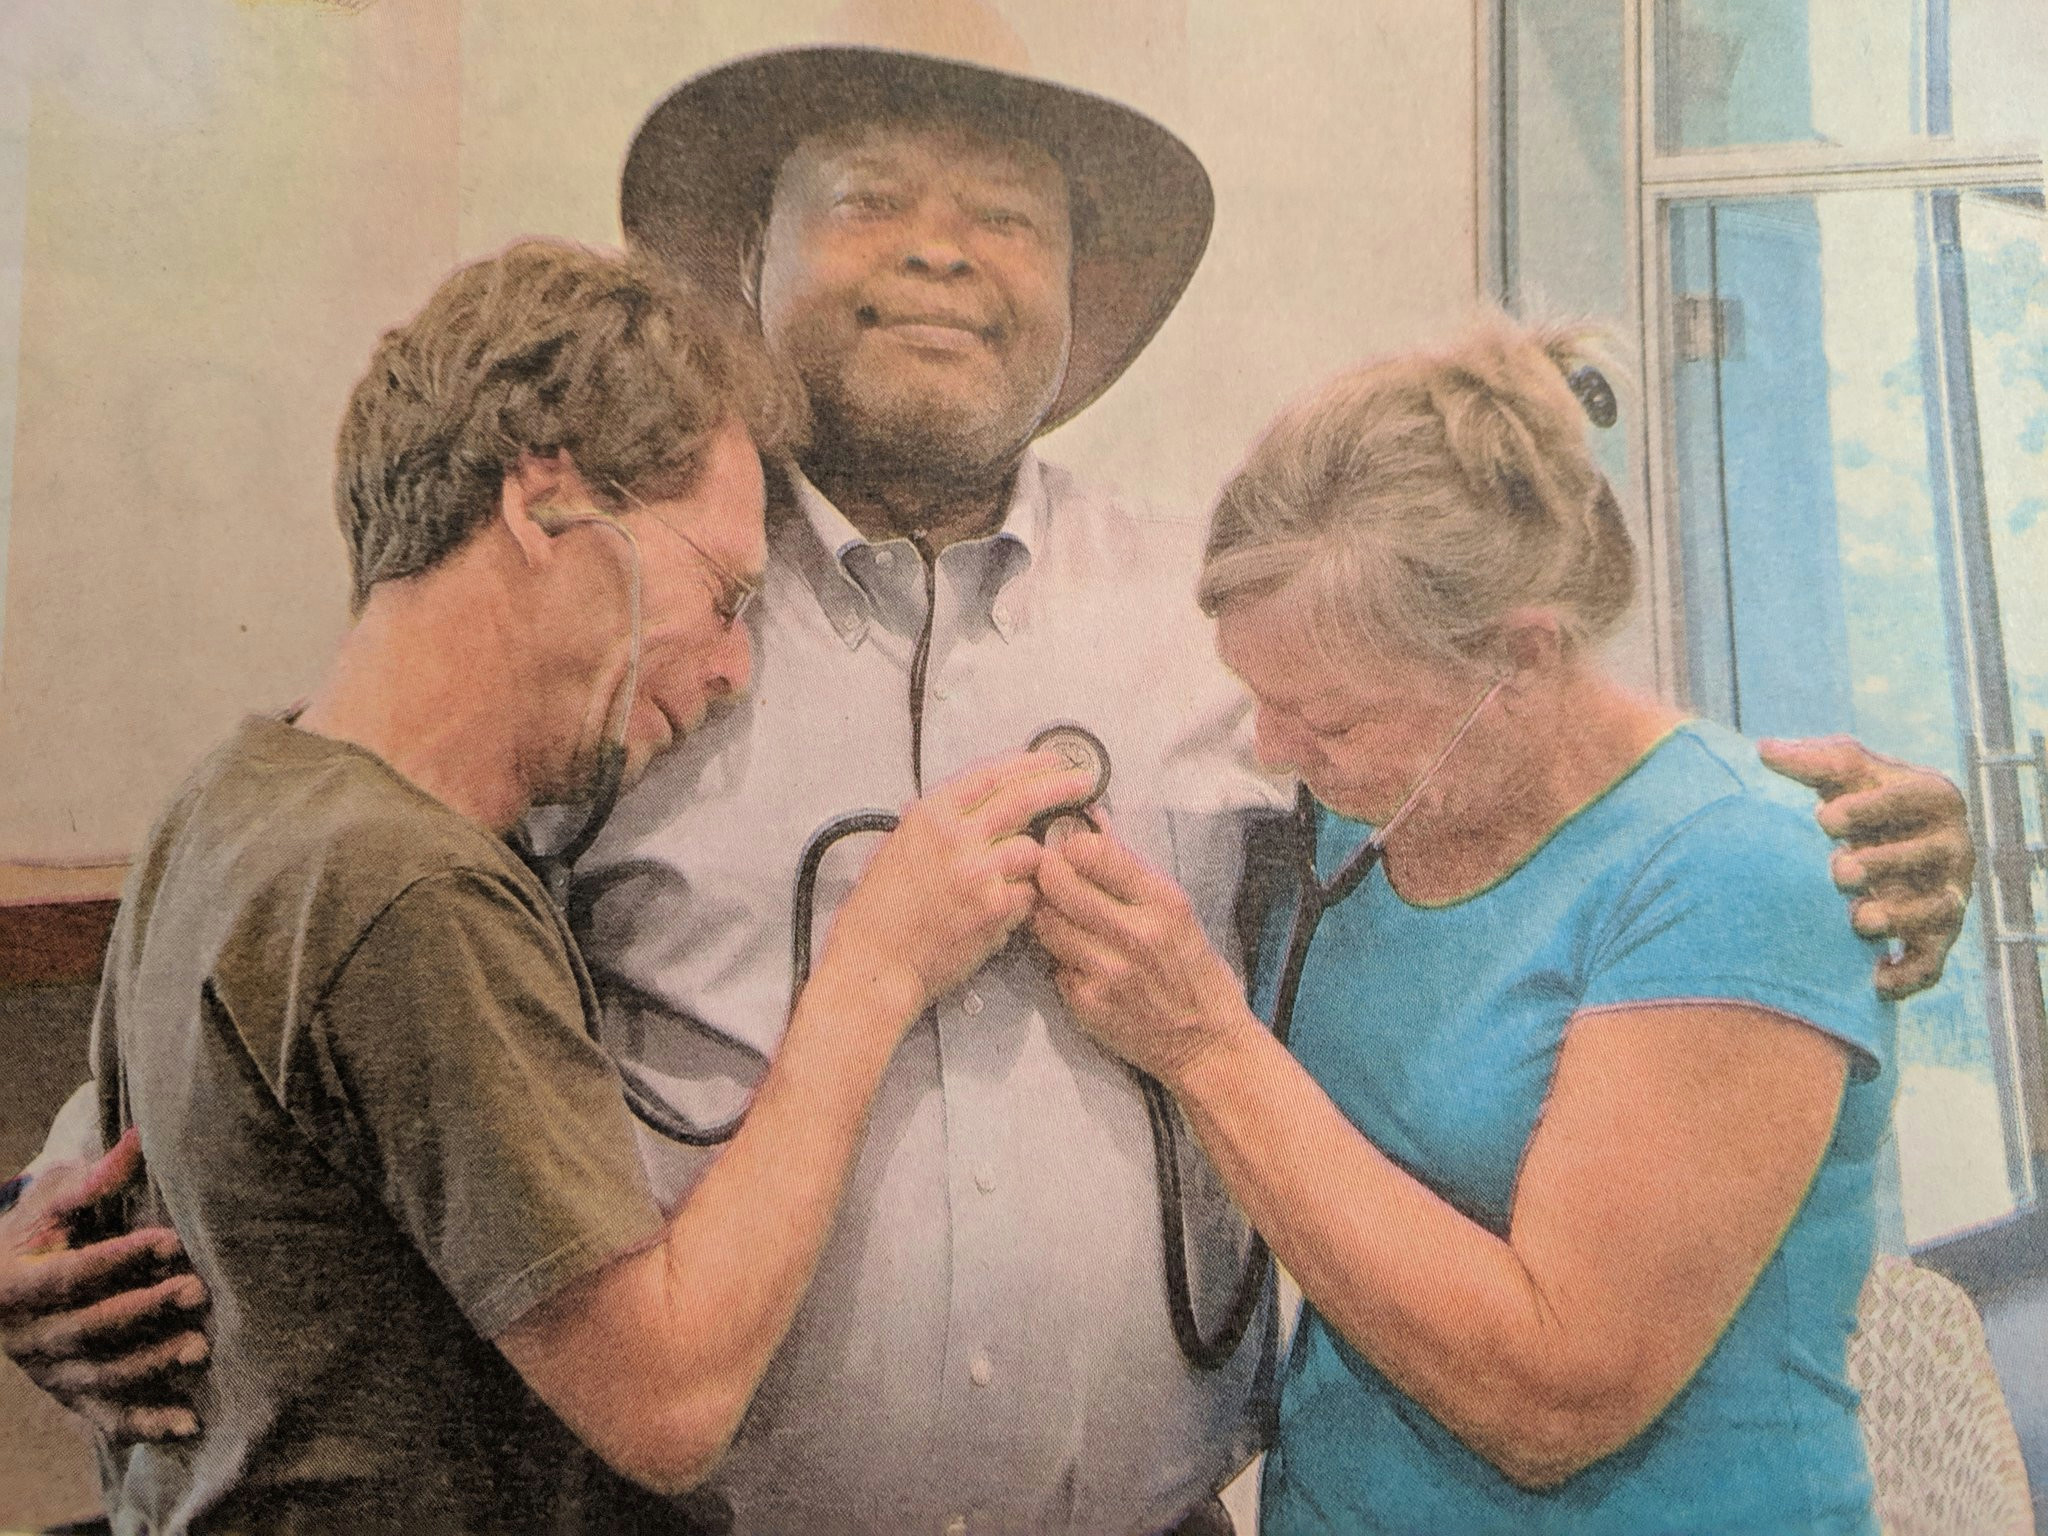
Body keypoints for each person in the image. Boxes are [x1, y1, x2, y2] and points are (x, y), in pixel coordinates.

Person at [2, 42, 1976, 1536]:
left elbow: (1541, 814)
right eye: (868, 197)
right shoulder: (618, 631)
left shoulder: (1232, 640)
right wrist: (43, 1211)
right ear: (748, 266)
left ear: (1075, 309)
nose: (945, 249)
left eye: (1012, 219)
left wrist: (1856, 838)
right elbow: (324, 930)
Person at [68, 238, 1097, 1534]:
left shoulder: (239, 793)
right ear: (543, 501)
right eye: (724, 597)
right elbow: (670, 1405)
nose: (733, 669)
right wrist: (879, 969)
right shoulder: (405, 891)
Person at [1033, 316, 1901, 1532]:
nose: (1276, 755)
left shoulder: (1731, 866)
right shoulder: (1355, 816)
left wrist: (1200, 1046)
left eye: (1328, 722)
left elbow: (1555, 1399)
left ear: (1522, 658)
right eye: (1257, 703)